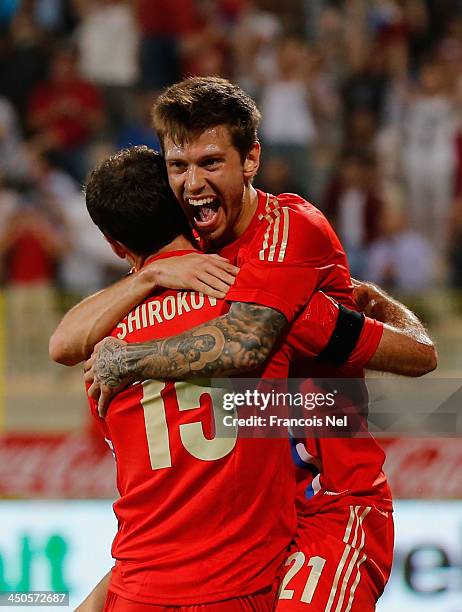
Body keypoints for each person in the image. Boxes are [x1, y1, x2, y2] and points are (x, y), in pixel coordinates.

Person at [50, 77, 436, 609]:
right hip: (248, 524)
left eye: (210, 163)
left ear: (251, 160)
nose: (192, 183)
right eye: (179, 167)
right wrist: (147, 279)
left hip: (333, 504)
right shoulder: (193, 261)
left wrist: (130, 357)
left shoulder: (290, 236)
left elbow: (252, 344)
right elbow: (64, 342)